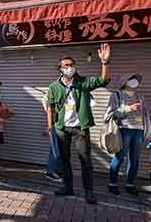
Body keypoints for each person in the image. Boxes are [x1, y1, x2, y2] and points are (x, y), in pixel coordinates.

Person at [46, 43, 111, 204]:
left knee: (85, 160)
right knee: (64, 159)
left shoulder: (82, 82)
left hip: (80, 128)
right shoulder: (54, 87)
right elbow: (50, 107)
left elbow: (102, 81)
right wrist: (50, 126)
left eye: (71, 65)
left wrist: (104, 62)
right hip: (62, 129)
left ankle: (89, 192)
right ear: (60, 69)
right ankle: (68, 187)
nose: (69, 68)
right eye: (65, 65)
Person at [106, 74, 151, 196]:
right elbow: (111, 114)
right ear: (125, 81)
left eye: (136, 80)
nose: (135, 82)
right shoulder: (117, 95)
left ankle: (130, 184)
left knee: (135, 159)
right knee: (119, 157)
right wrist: (127, 109)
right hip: (124, 129)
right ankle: (112, 183)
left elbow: (146, 114)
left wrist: (148, 130)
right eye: (132, 79)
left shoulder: (140, 97)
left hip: (138, 131)